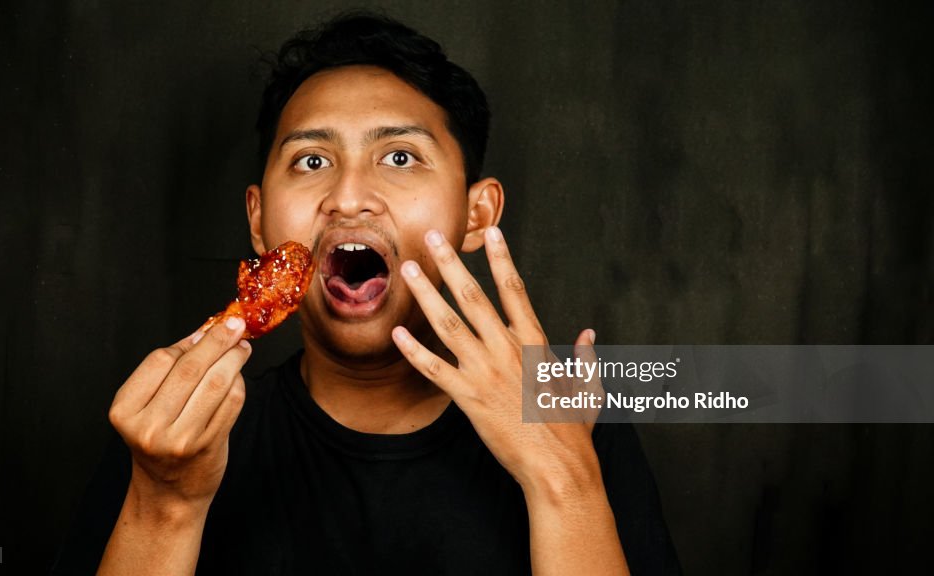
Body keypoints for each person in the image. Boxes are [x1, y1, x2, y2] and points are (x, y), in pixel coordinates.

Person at [53, 11, 680, 575]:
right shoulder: (172, 434)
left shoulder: (573, 414)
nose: (348, 196)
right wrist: (166, 503)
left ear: (475, 213)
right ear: (258, 217)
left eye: (401, 158)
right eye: (311, 161)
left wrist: (564, 480)